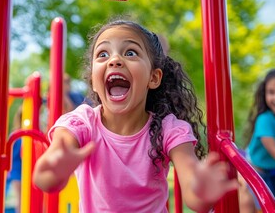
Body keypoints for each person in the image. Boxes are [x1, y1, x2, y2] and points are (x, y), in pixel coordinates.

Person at [33, 18, 238, 212]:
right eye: (103, 54)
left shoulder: (169, 129)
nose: (114, 59)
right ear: (94, 82)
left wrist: (200, 190)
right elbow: (45, 179)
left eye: (130, 53)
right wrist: (53, 170)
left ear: (154, 77)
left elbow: (195, 197)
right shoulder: (81, 123)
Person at [245, 68, 275, 211]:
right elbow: (274, 149)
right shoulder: (265, 119)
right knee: (264, 206)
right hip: (258, 172)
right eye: (271, 92)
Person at [5, 106, 23, 213]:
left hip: (19, 172)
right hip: (17, 172)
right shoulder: (18, 136)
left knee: (21, 200)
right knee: (19, 200)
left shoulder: (16, 135)